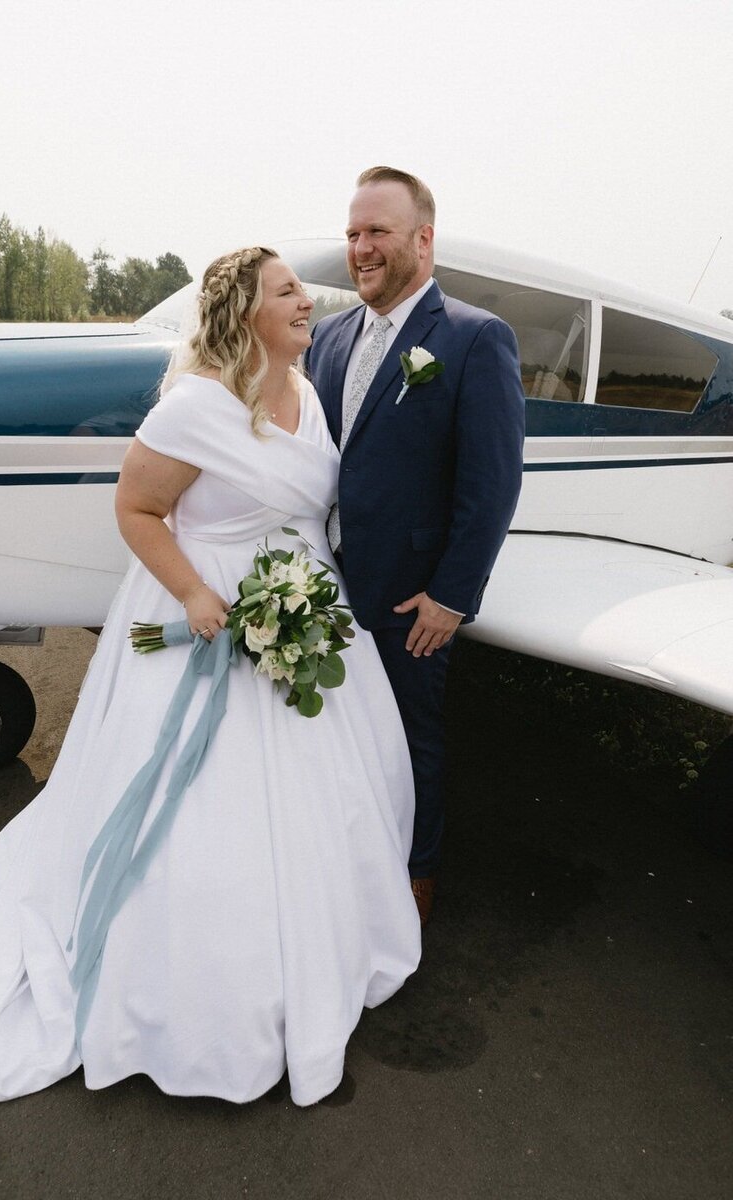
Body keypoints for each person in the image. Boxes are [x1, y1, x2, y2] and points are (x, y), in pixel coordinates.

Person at [0, 247, 421, 1175]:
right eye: (287, 295)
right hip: (198, 617)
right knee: (198, 815)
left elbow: (309, 515)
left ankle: (320, 960)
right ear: (245, 314)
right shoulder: (195, 403)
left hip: (298, 614)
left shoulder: (305, 395)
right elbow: (138, 509)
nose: (305, 305)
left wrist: (301, 603)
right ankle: (190, 998)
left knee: (330, 801)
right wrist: (199, 596)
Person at [306, 167, 526, 926]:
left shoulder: (473, 338)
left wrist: (453, 595)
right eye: (354, 234)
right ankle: (345, 865)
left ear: (423, 240)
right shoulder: (329, 337)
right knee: (334, 736)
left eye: (379, 233)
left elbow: (490, 483)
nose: (361, 249)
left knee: (409, 740)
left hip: (411, 599)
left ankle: (415, 877)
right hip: (325, 588)